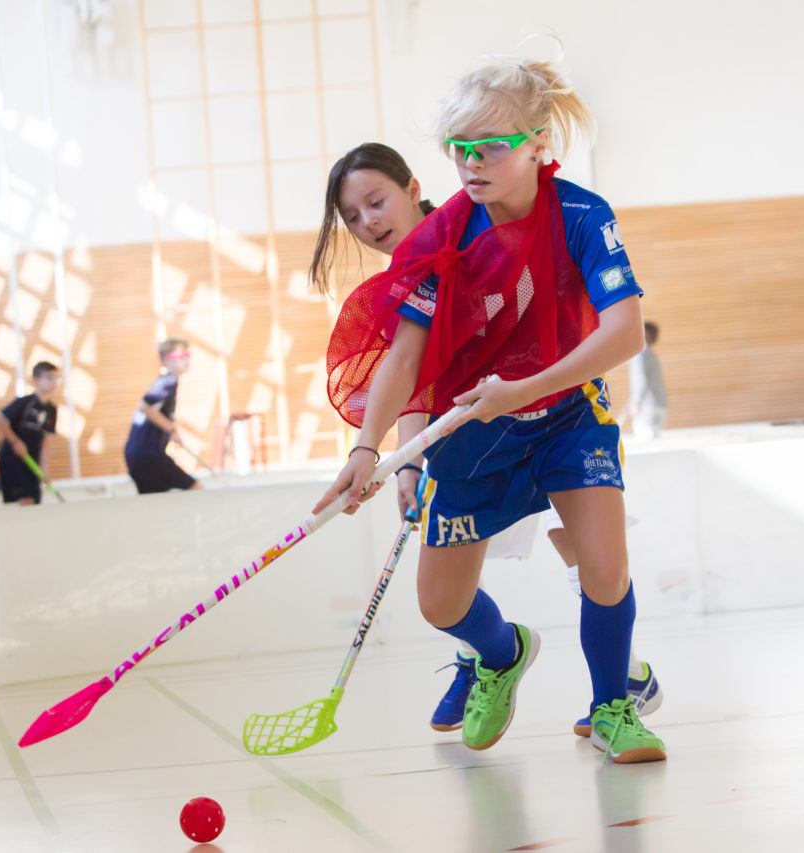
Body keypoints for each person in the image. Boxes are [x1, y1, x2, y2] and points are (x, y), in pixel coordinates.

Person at [313, 53, 666, 763]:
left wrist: (523, 392)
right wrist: (367, 450)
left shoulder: (581, 215)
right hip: (472, 438)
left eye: (491, 147)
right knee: (440, 603)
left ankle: (613, 707)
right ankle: (501, 654)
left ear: (538, 143)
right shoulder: (442, 236)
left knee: (603, 566)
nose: (472, 163)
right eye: (459, 149)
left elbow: (622, 332)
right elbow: (404, 359)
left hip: (566, 418)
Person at [125, 338, 203, 494]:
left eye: (188, 355)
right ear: (165, 359)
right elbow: (145, 407)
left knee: (155, 504)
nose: (187, 359)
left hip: (137, 455)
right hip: (148, 455)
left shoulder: (166, 382)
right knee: (196, 488)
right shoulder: (167, 380)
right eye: (181, 355)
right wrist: (172, 429)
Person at [0, 362, 60, 505]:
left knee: (35, 499)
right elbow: (0, 419)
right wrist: (15, 441)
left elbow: (46, 441)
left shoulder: (52, 409)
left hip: (32, 461)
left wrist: (45, 469)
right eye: (49, 378)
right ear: (36, 380)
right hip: (14, 460)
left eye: (56, 378)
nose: (53, 383)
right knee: (25, 501)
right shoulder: (25, 402)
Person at [627, 321, 667, 440]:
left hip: (646, 407)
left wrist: (636, 402)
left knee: (644, 441)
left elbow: (641, 381)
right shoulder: (653, 356)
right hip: (660, 403)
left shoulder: (639, 355)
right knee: (654, 440)